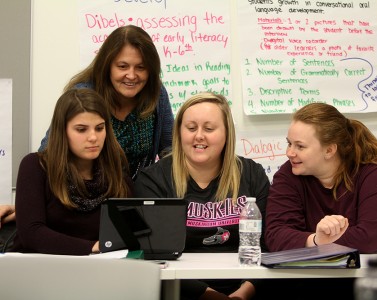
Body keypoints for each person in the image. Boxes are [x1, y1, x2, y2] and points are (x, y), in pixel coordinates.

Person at [263, 102, 377, 300]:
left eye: (300, 146)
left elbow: (372, 237)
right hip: (308, 281)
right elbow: (275, 234)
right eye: (289, 143)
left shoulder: (375, 174)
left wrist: (318, 243)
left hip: (367, 281)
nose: (290, 153)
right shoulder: (289, 174)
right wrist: (316, 240)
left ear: (329, 150)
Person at [134, 92, 269, 300]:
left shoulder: (252, 174)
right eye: (191, 128)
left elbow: (268, 244)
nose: (199, 136)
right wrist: (209, 296)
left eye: (209, 128)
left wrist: (244, 294)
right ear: (179, 132)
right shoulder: (153, 181)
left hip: (246, 291)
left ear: (227, 133)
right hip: (179, 292)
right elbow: (153, 254)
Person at [40, 24, 174, 180]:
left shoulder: (156, 93)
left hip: (137, 195)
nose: (131, 75)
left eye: (140, 67)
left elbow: (170, 150)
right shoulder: (83, 94)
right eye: (122, 66)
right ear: (107, 65)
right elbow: (49, 152)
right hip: (84, 195)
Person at [11, 88, 134, 255]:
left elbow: (132, 234)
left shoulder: (118, 177)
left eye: (99, 128)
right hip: (38, 271)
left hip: (97, 272)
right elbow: (32, 234)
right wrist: (92, 247)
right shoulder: (36, 166)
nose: (93, 137)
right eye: (81, 129)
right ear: (63, 131)